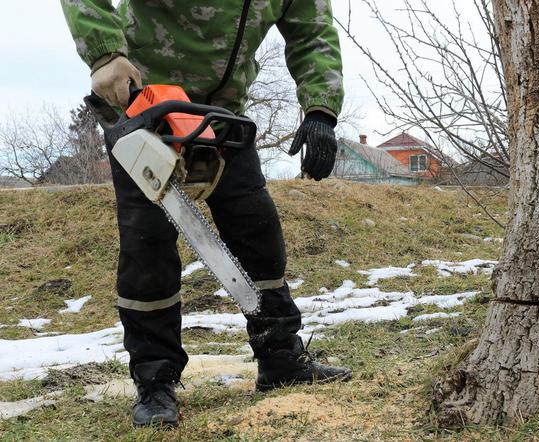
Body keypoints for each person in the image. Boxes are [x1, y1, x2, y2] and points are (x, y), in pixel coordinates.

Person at [60, 0, 350, 428]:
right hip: (143, 103)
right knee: (148, 246)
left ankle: (280, 356)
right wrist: (105, 53)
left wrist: (321, 109)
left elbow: (312, 30)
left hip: (222, 113)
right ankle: (154, 380)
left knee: (258, 230)